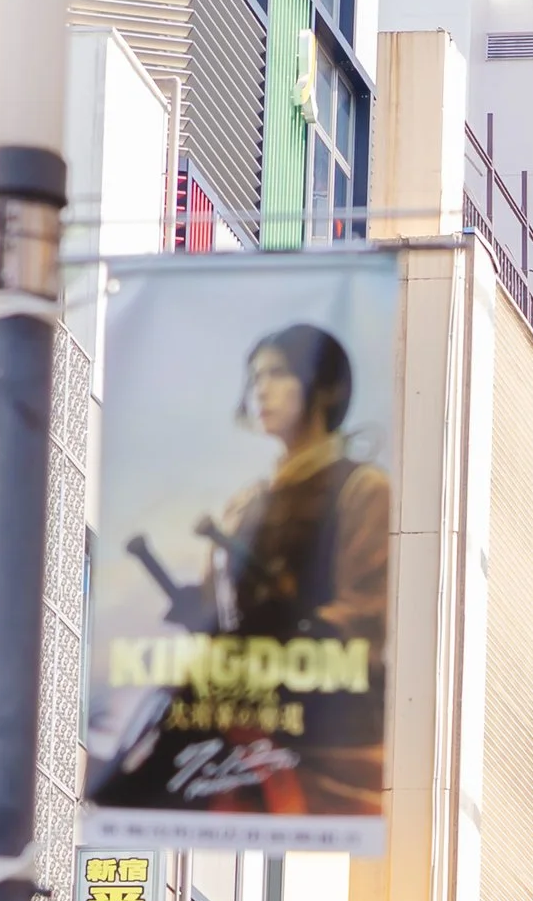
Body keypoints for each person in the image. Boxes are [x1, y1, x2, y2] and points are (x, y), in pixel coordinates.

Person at [95, 324, 389, 823]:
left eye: (277, 373)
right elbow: (222, 607)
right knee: (135, 764)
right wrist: (201, 610)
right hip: (235, 688)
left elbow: (365, 614)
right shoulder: (248, 503)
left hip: (319, 711)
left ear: (323, 386)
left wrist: (289, 634)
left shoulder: (362, 490)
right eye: (255, 377)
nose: (261, 390)